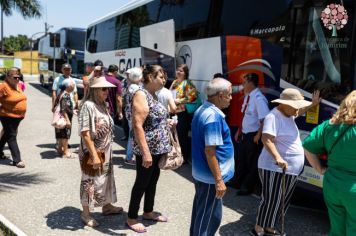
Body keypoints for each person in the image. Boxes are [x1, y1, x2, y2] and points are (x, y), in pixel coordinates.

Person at [251, 88, 320, 236]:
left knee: (283, 200)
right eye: (296, 106)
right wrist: (278, 158)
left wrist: (312, 105)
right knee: (271, 199)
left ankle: (269, 225)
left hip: (290, 168)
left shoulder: (289, 114)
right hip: (274, 167)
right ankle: (258, 226)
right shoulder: (273, 116)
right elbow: (266, 139)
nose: (298, 110)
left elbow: (298, 113)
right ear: (284, 104)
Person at [303, 90, 356, 236]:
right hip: (353, 188)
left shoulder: (329, 125)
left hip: (332, 185)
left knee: (336, 229)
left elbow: (307, 147)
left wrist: (320, 169)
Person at [126, 64, 172, 233]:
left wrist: (167, 122)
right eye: (161, 76)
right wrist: (145, 152)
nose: (164, 79)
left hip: (157, 149)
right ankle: (131, 217)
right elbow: (137, 125)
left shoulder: (154, 94)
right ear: (150, 77)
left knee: (152, 181)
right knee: (142, 182)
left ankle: (148, 211)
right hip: (148, 150)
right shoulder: (141, 94)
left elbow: (154, 119)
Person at [190, 78, 234, 236]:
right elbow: (210, 151)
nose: (231, 98)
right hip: (210, 178)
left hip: (205, 175)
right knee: (206, 219)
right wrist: (219, 180)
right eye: (229, 95)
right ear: (220, 95)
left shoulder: (204, 109)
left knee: (207, 213)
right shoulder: (213, 117)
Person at [78, 76, 123, 227]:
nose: (107, 91)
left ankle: (107, 206)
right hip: (93, 151)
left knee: (107, 178)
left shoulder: (103, 104)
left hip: (106, 150)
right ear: (95, 90)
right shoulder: (88, 106)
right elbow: (85, 133)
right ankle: (85, 213)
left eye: (108, 89)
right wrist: (94, 155)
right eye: (104, 89)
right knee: (90, 181)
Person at [228, 73, 270, 195]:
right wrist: (239, 131)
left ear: (251, 83)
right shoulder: (248, 96)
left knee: (252, 162)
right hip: (245, 134)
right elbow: (245, 116)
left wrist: (258, 134)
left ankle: (247, 187)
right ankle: (236, 181)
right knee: (241, 159)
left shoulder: (259, 98)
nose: (242, 85)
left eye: (244, 82)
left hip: (254, 136)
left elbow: (265, 119)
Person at [169, 64, 198, 163]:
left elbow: (192, 98)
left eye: (181, 71)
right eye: (178, 70)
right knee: (175, 134)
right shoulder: (175, 82)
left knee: (182, 135)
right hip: (174, 112)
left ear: (185, 73)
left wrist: (179, 100)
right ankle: (177, 154)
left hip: (183, 113)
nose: (178, 72)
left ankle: (185, 157)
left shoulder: (188, 83)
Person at [0, 68, 27, 168]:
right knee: (12, 136)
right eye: (15, 77)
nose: (17, 78)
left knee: (6, 135)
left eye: (18, 76)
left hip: (18, 117)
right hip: (7, 116)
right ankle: (17, 160)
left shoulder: (18, 85)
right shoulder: (3, 86)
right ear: (8, 76)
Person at [52, 63, 78, 150]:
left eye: (69, 69)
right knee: (59, 122)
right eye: (65, 69)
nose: (67, 71)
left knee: (68, 123)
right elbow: (54, 92)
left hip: (70, 104)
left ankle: (66, 142)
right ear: (62, 70)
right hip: (61, 103)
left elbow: (75, 93)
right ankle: (58, 142)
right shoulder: (57, 79)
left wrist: (76, 103)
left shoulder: (73, 80)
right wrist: (54, 105)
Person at [123, 67, 143, 166]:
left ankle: (130, 156)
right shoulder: (136, 88)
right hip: (134, 117)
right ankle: (129, 157)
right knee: (132, 137)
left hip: (130, 115)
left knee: (133, 136)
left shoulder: (130, 86)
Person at [52, 79, 75, 158]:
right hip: (64, 118)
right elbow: (63, 108)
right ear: (68, 86)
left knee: (61, 134)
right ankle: (65, 152)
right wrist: (68, 120)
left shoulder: (61, 93)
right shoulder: (66, 95)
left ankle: (60, 150)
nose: (73, 86)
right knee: (65, 135)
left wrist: (73, 111)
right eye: (72, 85)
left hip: (60, 118)